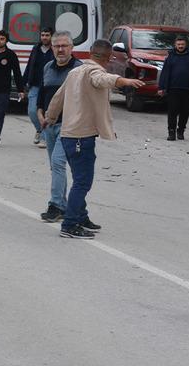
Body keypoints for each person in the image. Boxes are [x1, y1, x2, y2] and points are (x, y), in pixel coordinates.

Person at [45, 39, 145, 239]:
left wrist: (50, 117)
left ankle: (81, 217)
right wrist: (123, 81)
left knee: (79, 179)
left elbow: (58, 97)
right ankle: (69, 224)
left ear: (91, 52)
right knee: (82, 182)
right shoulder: (93, 72)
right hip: (81, 137)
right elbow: (102, 79)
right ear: (109, 57)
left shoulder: (74, 72)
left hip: (68, 135)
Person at [37, 31, 82, 222]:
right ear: (52, 48)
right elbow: (42, 93)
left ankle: (55, 205)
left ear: (72, 47)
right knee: (55, 166)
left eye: (64, 46)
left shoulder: (79, 69)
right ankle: (61, 206)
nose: (60, 49)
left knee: (57, 162)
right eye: (57, 46)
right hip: (49, 125)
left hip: (69, 126)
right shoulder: (48, 67)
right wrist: (40, 113)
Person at [158, 35, 189, 141]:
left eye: (182, 44)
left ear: (186, 45)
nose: (180, 46)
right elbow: (164, 73)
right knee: (172, 112)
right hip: (173, 89)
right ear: (175, 45)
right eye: (178, 44)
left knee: (185, 112)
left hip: (188, 89)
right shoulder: (170, 56)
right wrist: (161, 87)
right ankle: (171, 132)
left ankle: (181, 131)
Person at [25, 27, 54, 147]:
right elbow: (29, 65)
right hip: (35, 85)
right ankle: (40, 129)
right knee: (32, 111)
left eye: (47, 35)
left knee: (46, 112)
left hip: (49, 86)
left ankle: (44, 138)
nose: (44, 37)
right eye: (42, 35)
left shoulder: (55, 49)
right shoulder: (36, 49)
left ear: (51, 36)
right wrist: (24, 82)